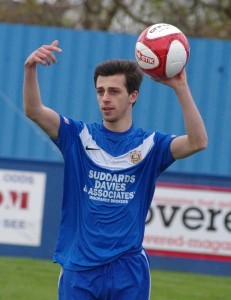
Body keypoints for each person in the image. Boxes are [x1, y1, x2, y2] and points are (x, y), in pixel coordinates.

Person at [23, 40, 208, 300]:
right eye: (100, 91)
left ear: (133, 96)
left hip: (128, 269)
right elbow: (33, 110)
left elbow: (198, 141)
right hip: (80, 268)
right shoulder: (77, 136)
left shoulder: (151, 146)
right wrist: (30, 68)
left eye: (114, 91)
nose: (105, 98)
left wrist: (180, 87)